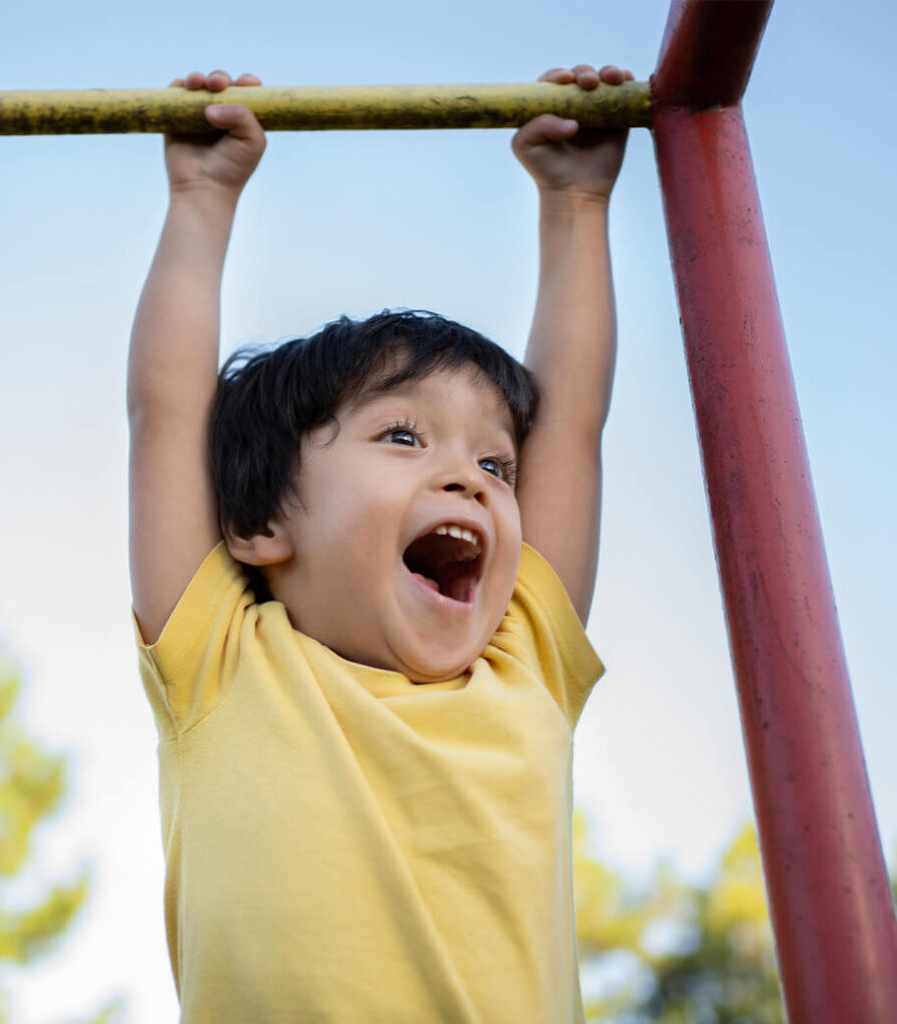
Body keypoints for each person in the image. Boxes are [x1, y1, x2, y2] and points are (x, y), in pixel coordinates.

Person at [129, 64, 631, 1022]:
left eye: (495, 464)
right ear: (260, 524)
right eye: (402, 436)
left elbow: (568, 425)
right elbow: (167, 412)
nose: (467, 477)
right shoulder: (225, 666)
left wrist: (576, 204)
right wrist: (200, 199)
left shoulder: (524, 661)